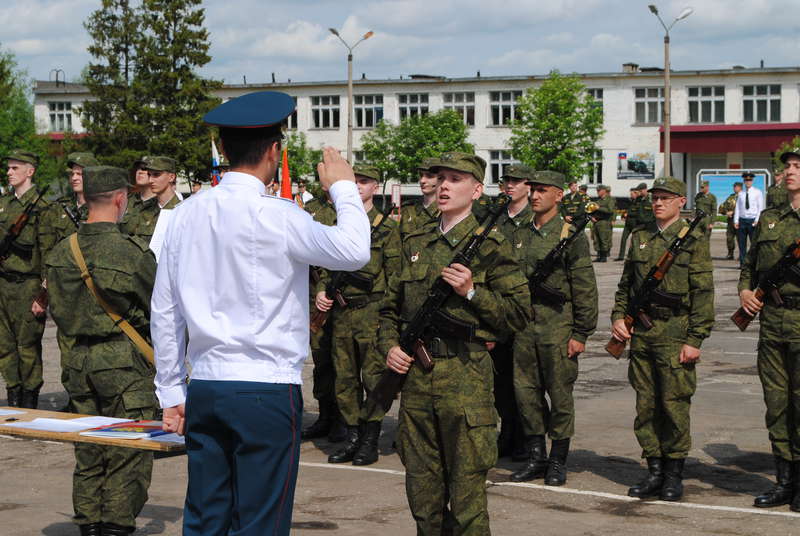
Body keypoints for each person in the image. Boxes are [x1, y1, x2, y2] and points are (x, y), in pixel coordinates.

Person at [152, 91, 370, 535]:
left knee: (206, 518)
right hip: (265, 387)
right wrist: (343, 187)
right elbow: (354, 250)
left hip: (208, 383)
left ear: (223, 151)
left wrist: (170, 388)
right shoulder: (281, 215)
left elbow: (165, 309)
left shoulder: (184, 215)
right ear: (275, 151)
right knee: (260, 522)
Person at [379, 151, 530, 535]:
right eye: (440, 177)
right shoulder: (415, 240)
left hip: (466, 381)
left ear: (477, 190)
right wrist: (390, 347)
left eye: (456, 179)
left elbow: (518, 315)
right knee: (423, 498)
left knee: (467, 505)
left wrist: (472, 292)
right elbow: (387, 308)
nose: (444, 186)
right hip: (416, 381)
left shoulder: (495, 246)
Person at [45, 165, 158, 536]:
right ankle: (115, 527)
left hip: (76, 363)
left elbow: (58, 309)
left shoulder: (62, 252)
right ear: (121, 199)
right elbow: (157, 308)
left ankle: (89, 525)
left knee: (89, 450)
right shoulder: (130, 252)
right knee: (128, 453)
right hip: (123, 366)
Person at [611, 177, 714, 502]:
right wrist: (618, 317)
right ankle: (654, 470)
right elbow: (626, 285)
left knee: (673, 406)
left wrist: (695, 338)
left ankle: (673, 474)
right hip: (642, 335)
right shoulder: (640, 236)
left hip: (675, 333)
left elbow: (703, 293)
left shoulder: (694, 240)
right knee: (646, 407)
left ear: (681, 202)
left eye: (666, 198)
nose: (658, 203)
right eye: (655, 198)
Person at [510, 170, 598, 485]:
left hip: (557, 328)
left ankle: (558, 460)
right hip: (523, 329)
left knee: (560, 396)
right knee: (526, 395)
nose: (534, 195)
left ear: (558, 195)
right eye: (532, 190)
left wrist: (581, 333)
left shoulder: (570, 235)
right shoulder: (519, 233)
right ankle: (536, 457)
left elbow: (584, 286)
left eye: (542, 190)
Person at [319, 164, 400, 466]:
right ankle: (352, 435)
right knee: (345, 378)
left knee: (374, 378)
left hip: (372, 312)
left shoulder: (388, 229)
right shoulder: (341, 224)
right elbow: (325, 263)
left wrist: (389, 316)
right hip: (343, 311)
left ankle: (370, 439)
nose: (358, 187)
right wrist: (322, 290)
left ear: (375, 187)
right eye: (354, 182)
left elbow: (394, 277)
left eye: (364, 182)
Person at [738, 147, 800, 511]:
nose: (790, 171)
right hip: (772, 323)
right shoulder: (769, 219)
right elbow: (749, 267)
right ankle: (784, 481)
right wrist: (746, 291)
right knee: (776, 404)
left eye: (797, 166)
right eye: (788, 166)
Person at [0, 150, 51, 408]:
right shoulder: (5, 204)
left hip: (28, 284)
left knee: (27, 346)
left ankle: (30, 399)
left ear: (29, 171)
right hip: (3, 284)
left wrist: (44, 294)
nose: (9, 172)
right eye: (8, 168)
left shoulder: (42, 206)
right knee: (4, 345)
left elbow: (47, 250)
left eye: (15, 168)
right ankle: (14, 394)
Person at [492, 165, 534, 461]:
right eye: (506, 181)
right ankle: (507, 432)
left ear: (528, 186)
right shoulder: (496, 219)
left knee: (525, 382)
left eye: (516, 182)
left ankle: (526, 437)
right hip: (497, 309)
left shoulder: (535, 219)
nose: (509, 186)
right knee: (500, 380)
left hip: (525, 312)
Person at [302, 185, 347, 444]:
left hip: (341, 295)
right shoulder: (312, 210)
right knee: (320, 357)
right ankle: (325, 415)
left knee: (342, 361)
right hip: (313, 294)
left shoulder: (348, 210)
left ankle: (343, 418)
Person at [122, 156, 180, 245]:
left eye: (156, 175)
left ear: (171, 177)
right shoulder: (144, 206)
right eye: (149, 175)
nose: (150, 180)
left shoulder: (181, 210)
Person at [399, 157, 441, 238]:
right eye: (421, 175)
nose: (422, 180)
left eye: (429, 176)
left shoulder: (446, 210)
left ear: (441, 178)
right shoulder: (408, 209)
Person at [734, 171, 764, 266]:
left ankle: (754, 264)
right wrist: (736, 220)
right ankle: (743, 264)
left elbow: (761, 208)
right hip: (742, 221)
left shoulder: (757, 192)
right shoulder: (741, 194)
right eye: (746, 180)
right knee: (742, 245)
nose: (748, 182)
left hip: (752, 221)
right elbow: (737, 208)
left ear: (752, 181)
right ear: (744, 181)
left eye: (750, 180)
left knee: (754, 244)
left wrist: (757, 220)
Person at [591, 184, 615, 262]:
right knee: (596, 239)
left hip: (604, 222)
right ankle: (599, 256)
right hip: (596, 222)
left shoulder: (609, 200)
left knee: (603, 239)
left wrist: (599, 208)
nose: (597, 192)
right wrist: (592, 217)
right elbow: (593, 210)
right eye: (597, 190)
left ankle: (604, 256)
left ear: (604, 191)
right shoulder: (598, 200)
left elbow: (610, 210)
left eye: (599, 190)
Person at [718, 182, 742, 260]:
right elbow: (722, 207)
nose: (734, 188)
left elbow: (746, 209)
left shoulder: (744, 196)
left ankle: (742, 255)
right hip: (731, 221)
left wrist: (734, 212)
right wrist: (726, 212)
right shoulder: (730, 197)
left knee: (741, 239)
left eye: (736, 187)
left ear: (740, 187)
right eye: (734, 187)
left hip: (740, 221)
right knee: (729, 238)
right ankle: (730, 253)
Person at [615, 187, 639, 261]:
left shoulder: (639, 202)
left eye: (632, 194)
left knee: (635, 241)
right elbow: (628, 210)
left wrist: (628, 214)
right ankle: (621, 256)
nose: (631, 195)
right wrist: (623, 215)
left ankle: (634, 256)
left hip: (635, 224)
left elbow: (638, 213)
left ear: (636, 194)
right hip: (627, 224)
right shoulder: (630, 201)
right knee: (623, 239)